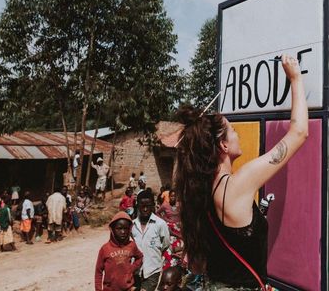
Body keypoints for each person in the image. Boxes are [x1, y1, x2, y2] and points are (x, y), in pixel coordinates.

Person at [175, 55, 307, 290]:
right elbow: (298, 134)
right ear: (223, 146)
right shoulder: (237, 184)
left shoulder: (200, 190)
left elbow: (198, 265)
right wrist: (295, 78)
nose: (238, 134)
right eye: (233, 130)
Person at [132, 190, 170, 291]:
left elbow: (165, 244)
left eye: (148, 206)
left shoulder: (160, 224)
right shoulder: (132, 225)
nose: (145, 209)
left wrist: (154, 254)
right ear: (138, 206)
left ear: (153, 205)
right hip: (136, 271)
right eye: (142, 205)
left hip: (153, 270)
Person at [95, 212, 143, 291]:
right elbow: (98, 272)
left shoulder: (132, 245)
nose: (123, 232)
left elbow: (140, 257)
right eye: (119, 228)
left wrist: (132, 268)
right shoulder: (105, 249)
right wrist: (98, 289)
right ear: (112, 229)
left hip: (128, 288)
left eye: (126, 228)